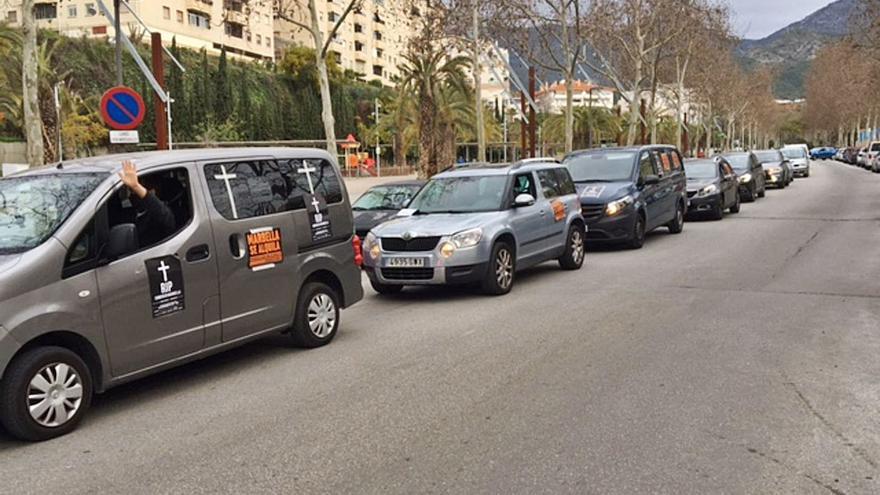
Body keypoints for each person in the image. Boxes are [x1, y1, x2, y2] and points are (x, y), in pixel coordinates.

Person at [118, 160, 176, 248]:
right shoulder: (129, 212)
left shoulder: (161, 214)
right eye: (131, 191)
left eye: (138, 192)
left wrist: (136, 187)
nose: (133, 194)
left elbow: (165, 217)